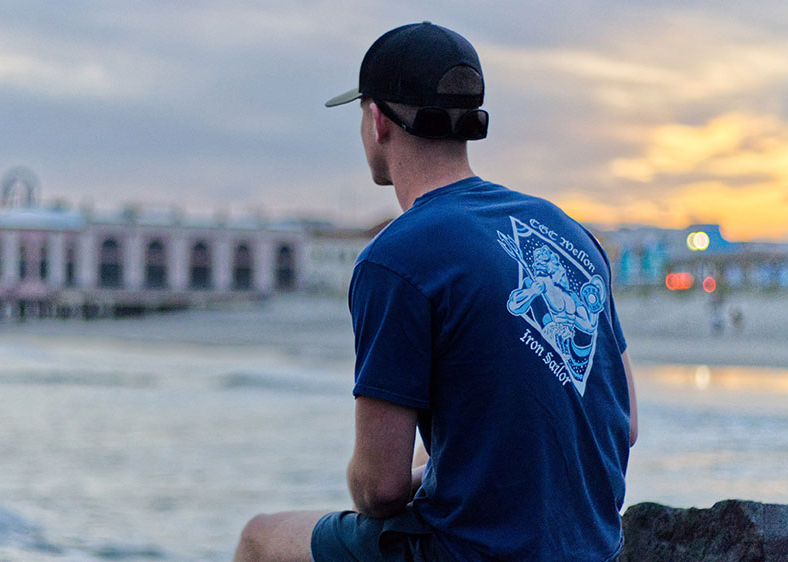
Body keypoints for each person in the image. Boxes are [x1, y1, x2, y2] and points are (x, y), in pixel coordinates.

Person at [234, 21, 637, 562]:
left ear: (377, 121)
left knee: (260, 537)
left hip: (470, 552)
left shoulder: (397, 257)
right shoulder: (569, 232)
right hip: (595, 549)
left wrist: (383, 479)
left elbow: (379, 489)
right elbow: (626, 423)